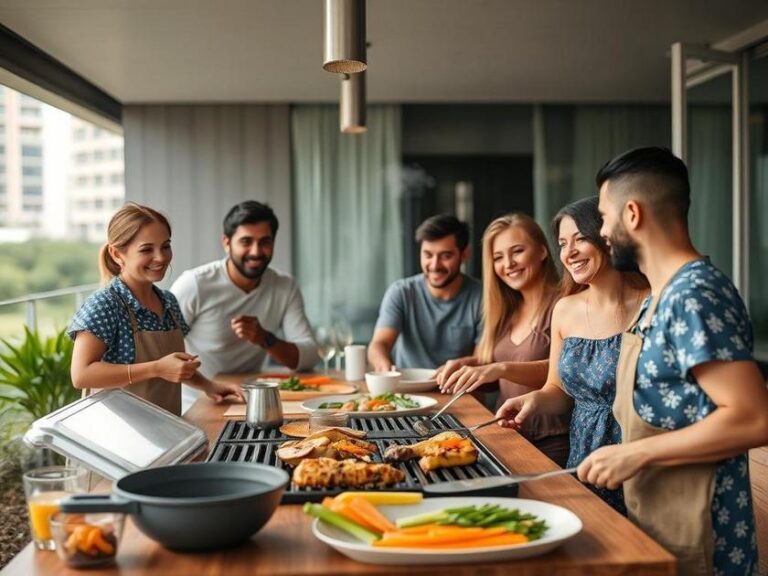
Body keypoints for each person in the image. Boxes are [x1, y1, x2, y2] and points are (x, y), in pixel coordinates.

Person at [580, 147, 768, 575]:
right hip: (660, 515)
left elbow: (755, 418)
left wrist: (636, 454)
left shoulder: (694, 295)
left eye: (605, 216)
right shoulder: (657, 297)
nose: (602, 230)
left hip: (703, 529)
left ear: (632, 213)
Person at [495, 196, 649, 513]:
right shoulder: (565, 309)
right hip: (584, 457)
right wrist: (533, 401)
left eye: (580, 239)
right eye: (563, 243)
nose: (569, 252)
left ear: (608, 237)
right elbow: (558, 390)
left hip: (641, 456)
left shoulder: (653, 302)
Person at [68, 203, 243, 415]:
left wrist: (209, 386)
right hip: (117, 437)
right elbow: (81, 374)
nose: (160, 257)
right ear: (117, 254)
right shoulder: (105, 305)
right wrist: (156, 368)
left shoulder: (168, 302)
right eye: (146, 249)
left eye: (165, 246)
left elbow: (173, 366)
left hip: (166, 429)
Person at [435, 213, 570, 467]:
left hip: (552, 441)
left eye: (517, 251)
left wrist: (498, 368)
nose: (508, 264)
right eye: (498, 257)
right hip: (506, 435)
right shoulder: (506, 308)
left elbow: (562, 372)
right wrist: (468, 367)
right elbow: (499, 367)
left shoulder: (564, 303)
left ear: (542, 251)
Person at [171, 201, 317, 390]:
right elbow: (162, 352)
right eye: (246, 242)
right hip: (198, 400)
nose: (256, 252)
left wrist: (264, 338)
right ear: (226, 243)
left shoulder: (284, 287)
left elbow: (309, 357)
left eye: (265, 242)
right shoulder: (195, 284)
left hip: (252, 399)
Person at [368, 214, 482, 372]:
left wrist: (459, 368)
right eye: (428, 255)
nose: (434, 265)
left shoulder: (482, 297)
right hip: (407, 391)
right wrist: (383, 366)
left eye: (446, 256)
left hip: (459, 391)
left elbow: (482, 359)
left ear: (464, 255)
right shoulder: (401, 292)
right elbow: (380, 344)